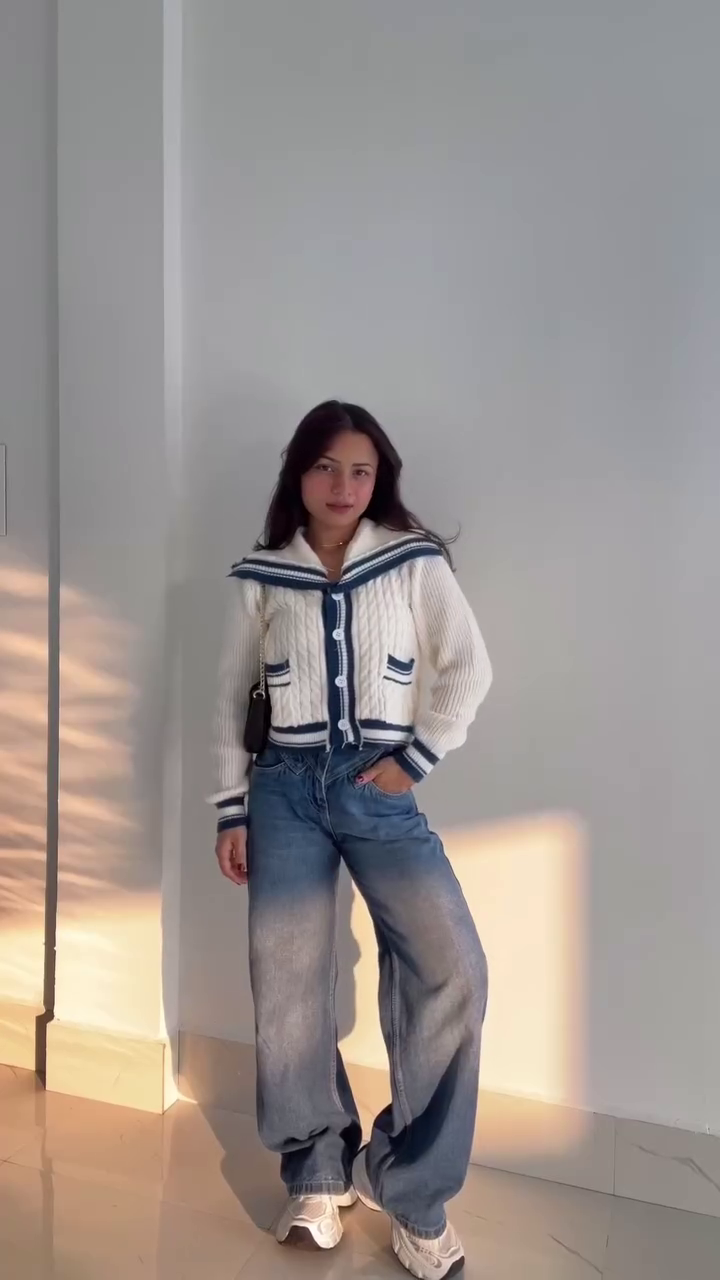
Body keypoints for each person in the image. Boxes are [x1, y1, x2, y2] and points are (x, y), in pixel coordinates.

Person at [211, 400, 492, 1280]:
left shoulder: (411, 560)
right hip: (282, 792)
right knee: (289, 979)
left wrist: (415, 758)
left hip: (377, 789)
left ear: (380, 479)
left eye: (360, 470)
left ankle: (409, 1187)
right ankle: (316, 1172)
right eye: (326, 467)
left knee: (452, 968)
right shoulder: (263, 573)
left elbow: (468, 667)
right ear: (299, 475)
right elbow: (228, 697)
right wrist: (231, 808)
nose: (343, 485)